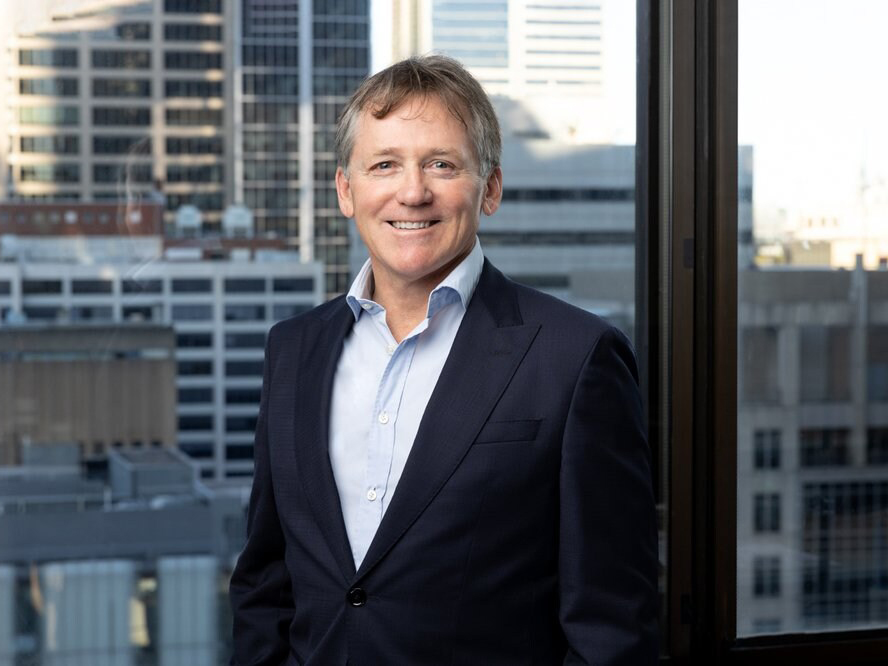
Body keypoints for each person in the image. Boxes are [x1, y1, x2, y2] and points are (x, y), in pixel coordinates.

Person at [229, 55, 658, 665]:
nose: (412, 192)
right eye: (384, 165)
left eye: (441, 164)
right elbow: (266, 583)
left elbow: (611, 625)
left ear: (491, 188)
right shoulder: (293, 349)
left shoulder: (576, 357)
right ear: (347, 192)